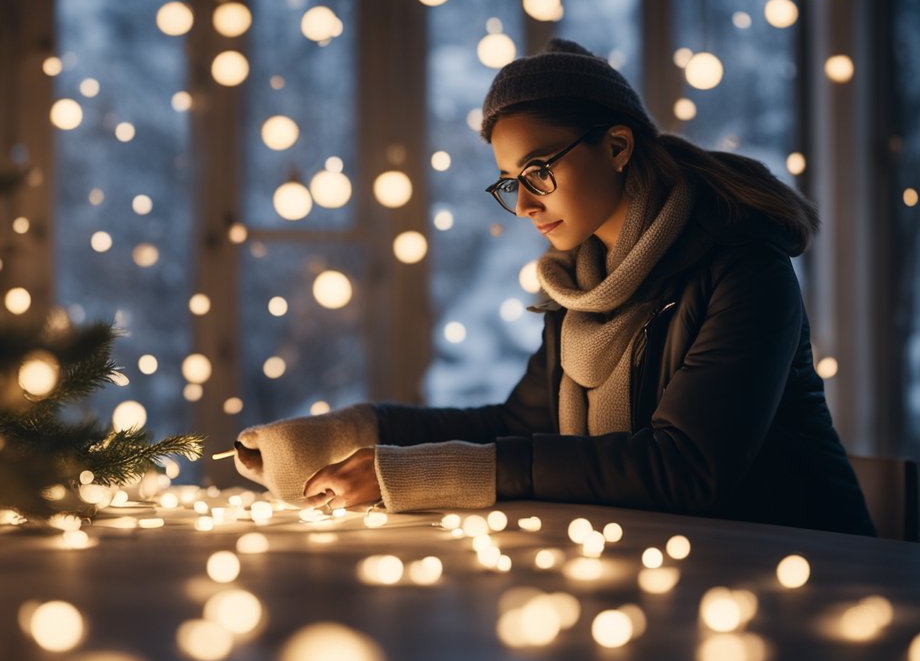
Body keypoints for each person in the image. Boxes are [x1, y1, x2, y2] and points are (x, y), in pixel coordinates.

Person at [233, 38, 876, 536]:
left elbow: (685, 468)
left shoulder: (744, 272)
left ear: (618, 146)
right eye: (511, 182)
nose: (525, 205)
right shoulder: (579, 290)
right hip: (675, 575)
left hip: (808, 570)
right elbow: (519, 426)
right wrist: (343, 435)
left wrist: (440, 472)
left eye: (538, 171)